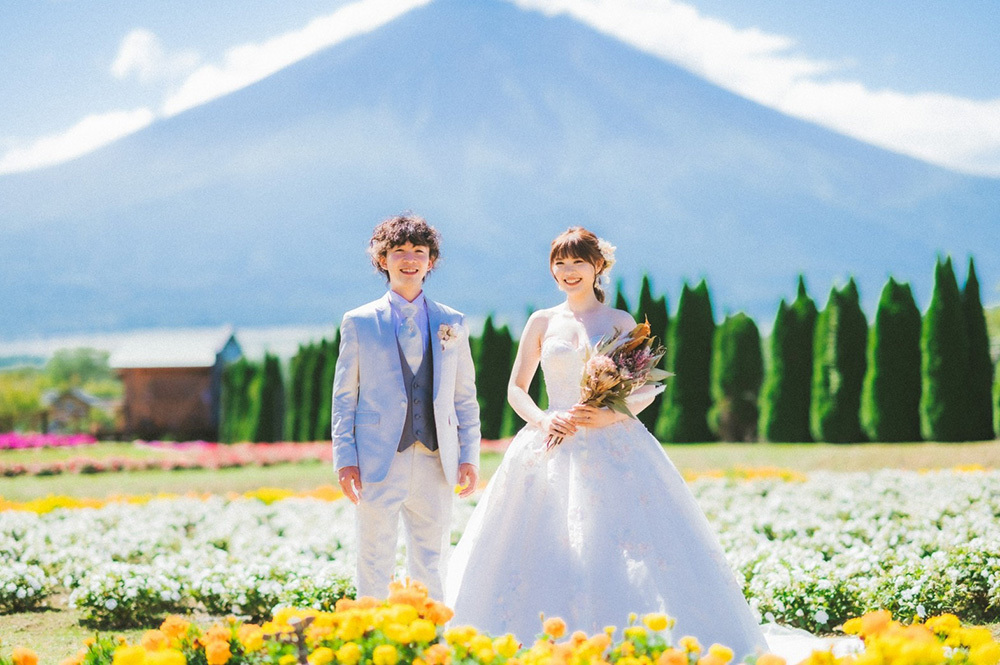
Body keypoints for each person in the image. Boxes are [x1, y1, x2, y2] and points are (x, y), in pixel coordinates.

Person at [445, 227, 768, 658]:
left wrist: (609, 413)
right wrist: (546, 418)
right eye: (559, 263)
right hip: (551, 442)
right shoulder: (541, 321)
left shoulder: (620, 322)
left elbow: (643, 389)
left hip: (614, 442)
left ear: (598, 266)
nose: (568, 271)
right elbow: (516, 389)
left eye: (577, 262)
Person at [332, 213, 481, 602]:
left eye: (419, 251)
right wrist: (344, 459)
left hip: (436, 458)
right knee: (374, 558)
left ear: (431, 261)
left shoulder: (453, 321)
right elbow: (344, 398)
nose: (409, 259)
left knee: (432, 562)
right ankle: (373, 645)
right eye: (399, 251)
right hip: (378, 460)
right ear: (383, 260)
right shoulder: (359, 322)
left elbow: (465, 397)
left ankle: (429, 644)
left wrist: (470, 455)